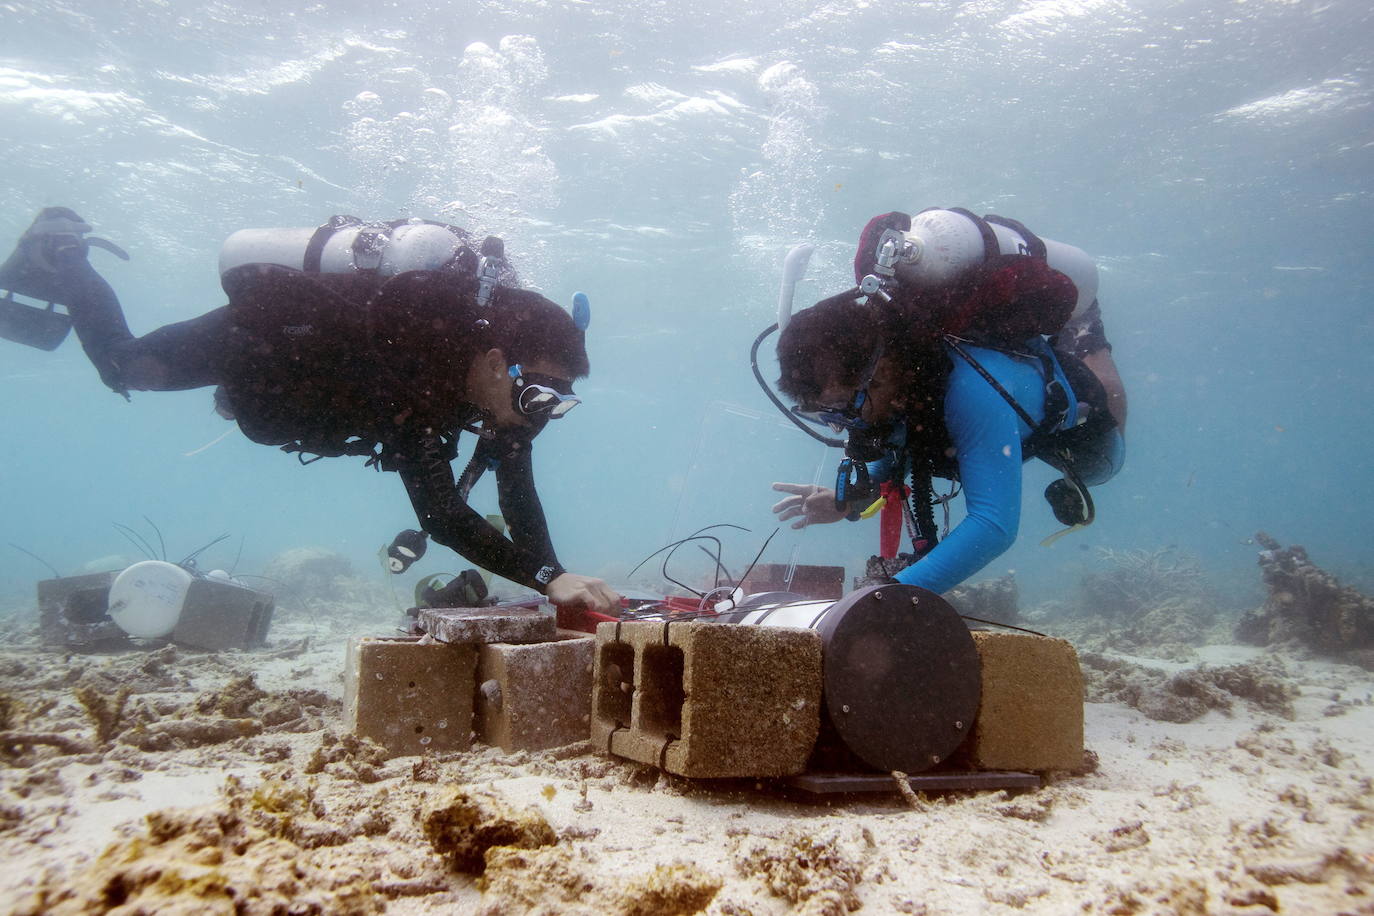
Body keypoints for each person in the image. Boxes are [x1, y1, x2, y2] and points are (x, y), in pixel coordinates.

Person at [0, 207, 621, 614]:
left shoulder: (499, 391)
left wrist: (556, 578)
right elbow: (440, 512)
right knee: (126, 367)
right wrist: (547, 577)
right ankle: (63, 251)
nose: (537, 417)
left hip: (292, 387)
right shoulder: (412, 363)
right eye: (535, 397)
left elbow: (518, 488)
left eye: (555, 403)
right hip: (253, 343)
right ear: (494, 361)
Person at [768, 208, 1126, 595]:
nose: (840, 424)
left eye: (840, 407)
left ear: (881, 373)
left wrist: (887, 600)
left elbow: (993, 526)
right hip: (994, 394)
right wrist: (847, 501)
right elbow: (903, 444)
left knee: (1103, 464)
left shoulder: (971, 393)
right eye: (822, 413)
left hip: (1068, 417)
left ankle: (1087, 328)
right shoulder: (895, 384)